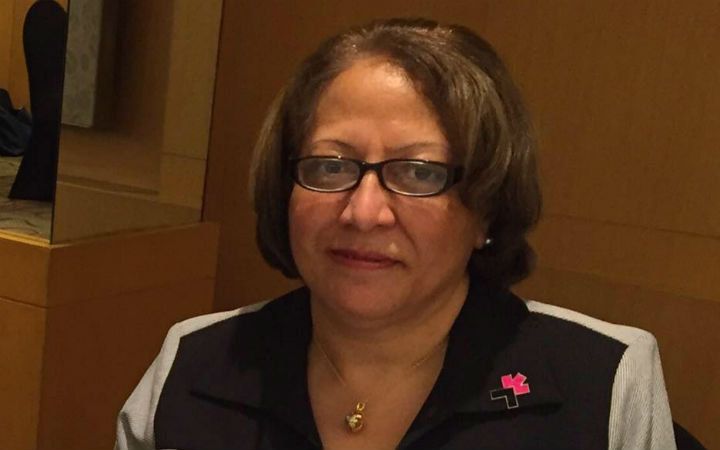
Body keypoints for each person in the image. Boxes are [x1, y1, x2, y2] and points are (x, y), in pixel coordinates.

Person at [115, 18, 676, 450]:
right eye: (331, 165)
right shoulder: (191, 363)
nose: (363, 213)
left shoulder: (603, 381)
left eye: (419, 173)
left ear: (486, 206)